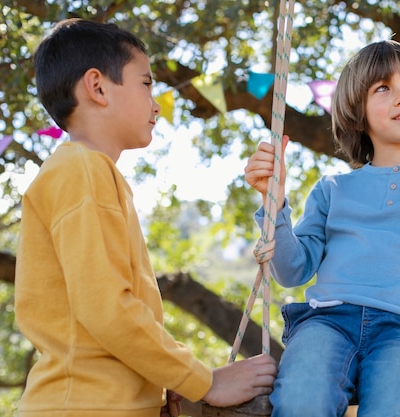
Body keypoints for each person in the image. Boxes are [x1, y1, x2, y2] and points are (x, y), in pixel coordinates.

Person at [14, 18, 276, 417]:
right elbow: (108, 308)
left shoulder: (87, 172)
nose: (156, 102)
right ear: (98, 87)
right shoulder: (81, 171)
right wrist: (206, 381)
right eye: (146, 83)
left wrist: (160, 381)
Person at [244, 39, 400, 417]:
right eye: (383, 88)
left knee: (394, 402)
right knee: (301, 397)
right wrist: (274, 203)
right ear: (357, 113)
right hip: (326, 322)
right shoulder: (332, 190)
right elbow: (291, 270)